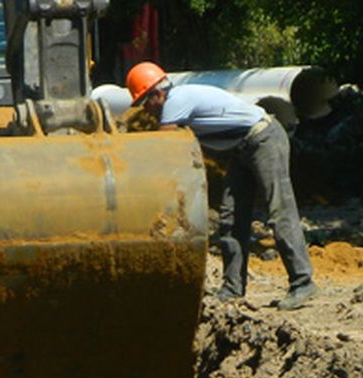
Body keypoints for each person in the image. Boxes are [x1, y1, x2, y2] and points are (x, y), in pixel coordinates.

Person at [128, 61, 318, 310]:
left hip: (264, 139)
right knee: (231, 217)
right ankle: (232, 289)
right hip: (243, 147)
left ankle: (303, 282)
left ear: (157, 93)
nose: (146, 112)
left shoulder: (175, 101)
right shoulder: (177, 100)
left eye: (145, 103)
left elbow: (165, 148)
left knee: (279, 211)